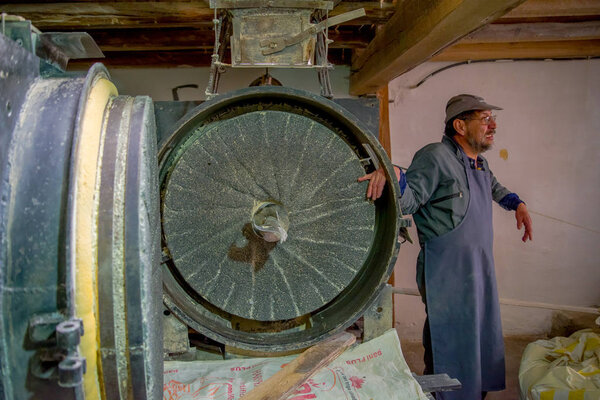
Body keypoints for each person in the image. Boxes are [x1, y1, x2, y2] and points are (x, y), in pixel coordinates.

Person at [359, 94, 533, 400]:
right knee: (447, 337)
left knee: (478, 333)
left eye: (494, 119)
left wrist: (516, 204)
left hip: (479, 267)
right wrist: (395, 177)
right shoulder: (436, 156)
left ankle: (474, 392)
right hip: (446, 269)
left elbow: (494, 186)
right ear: (460, 125)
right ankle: (444, 394)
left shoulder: (479, 162)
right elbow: (411, 200)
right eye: (485, 119)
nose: (493, 125)